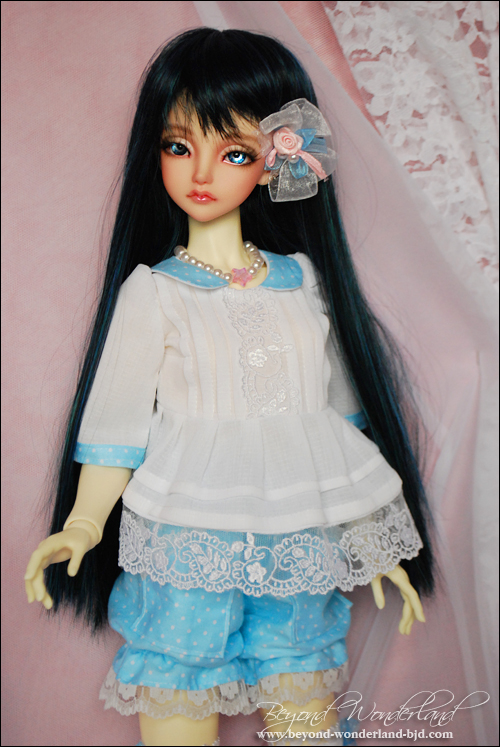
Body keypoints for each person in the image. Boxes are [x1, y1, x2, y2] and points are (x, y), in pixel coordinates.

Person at [24, 27, 434, 747]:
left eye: (235, 153)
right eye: (179, 146)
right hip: (189, 541)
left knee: (306, 711)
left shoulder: (304, 282)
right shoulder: (156, 292)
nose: (202, 174)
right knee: (179, 693)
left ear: (275, 162)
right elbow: (118, 427)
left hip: (300, 543)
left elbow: (339, 433)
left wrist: (376, 544)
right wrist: (84, 523)